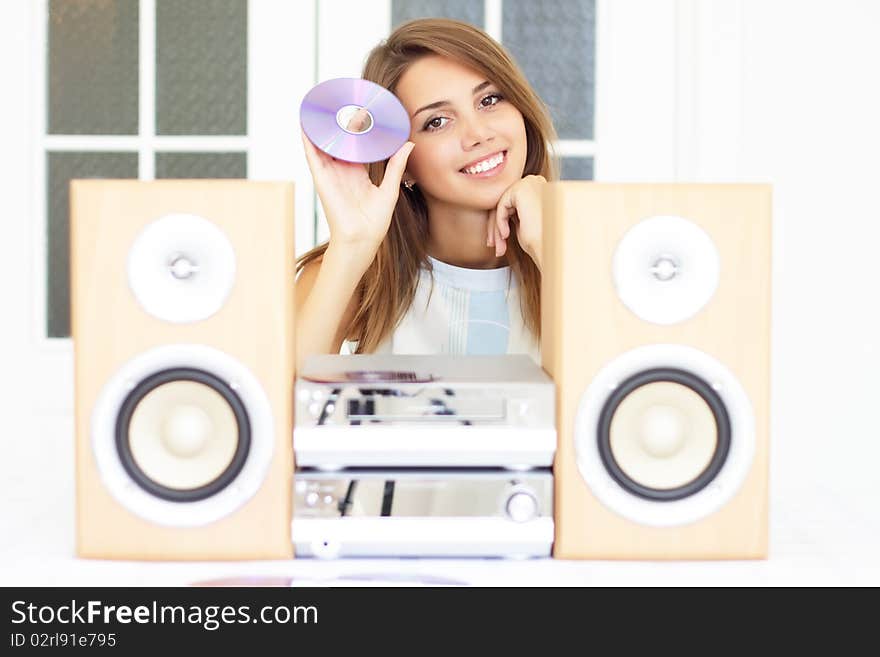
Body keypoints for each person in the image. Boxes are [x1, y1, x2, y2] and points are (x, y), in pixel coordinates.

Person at [295, 18, 558, 371]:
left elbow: (620, 400)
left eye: (490, 99)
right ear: (403, 165)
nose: (478, 134)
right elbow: (274, 407)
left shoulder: (588, 261)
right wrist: (353, 244)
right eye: (437, 121)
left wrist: (552, 248)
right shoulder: (356, 275)